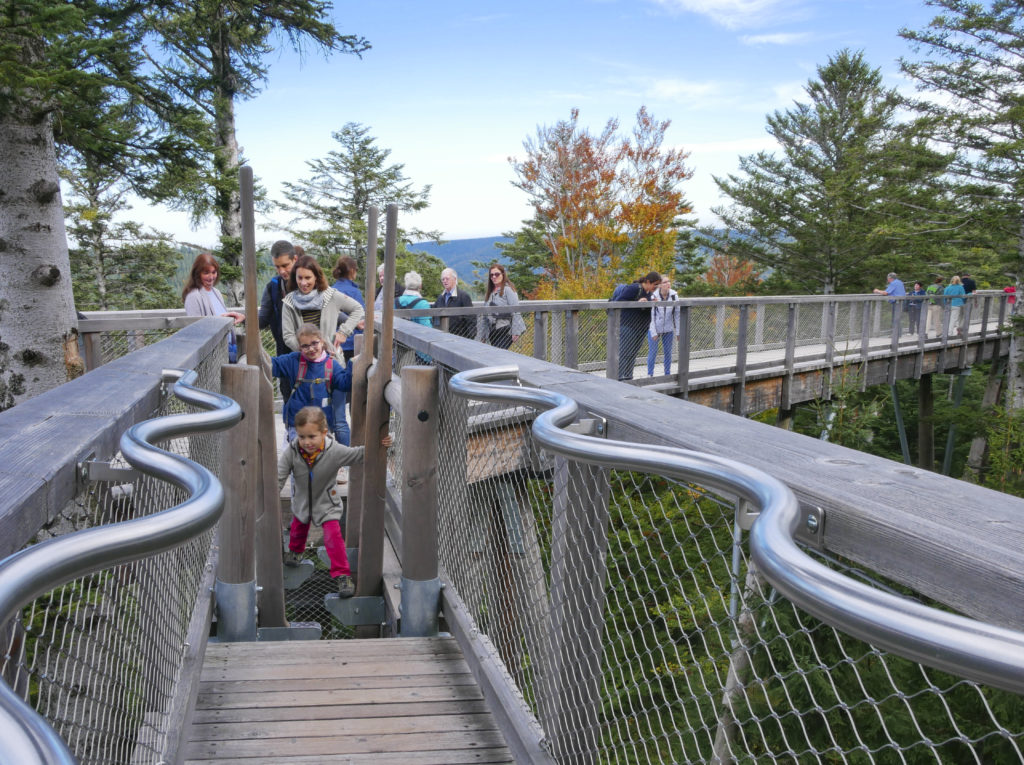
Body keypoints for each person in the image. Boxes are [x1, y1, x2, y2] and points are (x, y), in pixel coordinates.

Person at [279, 406, 391, 598]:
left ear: (324, 433)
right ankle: (296, 553)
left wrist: (381, 445)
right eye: (302, 436)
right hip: (302, 502)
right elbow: (279, 475)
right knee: (298, 529)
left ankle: (342, 575)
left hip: (327, 503)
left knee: (333, 537)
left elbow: (358, 454)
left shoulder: (334, 451)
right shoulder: (292, 451)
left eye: (312, 436)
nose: (306, 442)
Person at [282, 256, 364, 446]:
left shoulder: (330, 296)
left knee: (339, 420)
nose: (303, 283)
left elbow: (357, 309)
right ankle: (312, 458)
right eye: (300, 278)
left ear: (316, 277)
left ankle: (344, 460)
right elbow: (288, 336)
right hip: (305, 368)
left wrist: (343, 332)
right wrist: (310, 350)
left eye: (308, 278)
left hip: (333, 363)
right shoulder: (289, 302)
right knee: (309, 420)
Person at [271, 324, 352, 444]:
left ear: (322, 342)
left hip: (321, 428)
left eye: (314, 343)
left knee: (322, 454)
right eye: (305, 346)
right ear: (299, 347)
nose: (311, 349)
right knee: (299, 454)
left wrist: (352, 365)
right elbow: (271, 365)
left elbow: (344, 383)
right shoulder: (293, 361)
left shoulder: (331, 365)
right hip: (297, 427)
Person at [182, 253, 244, 362]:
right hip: (212, 357)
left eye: (214, 272)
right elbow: (195, 331)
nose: (211, 277)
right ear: (197, 273)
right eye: (206, 273)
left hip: (228, 349)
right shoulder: (193, 296)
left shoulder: (216, 292)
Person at [258, 240, 297, 400]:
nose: (281, 271)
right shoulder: (273, 287)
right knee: (288, 395)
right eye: (277, 267)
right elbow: (262, 318)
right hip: (284, 353)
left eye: (285, 265)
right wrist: (245, 319)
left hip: (311, 352)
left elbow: (328, 305)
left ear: (295, 259)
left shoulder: (308, 281)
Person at [610, 271, 660, 380]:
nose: (656, 287)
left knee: (632, 354)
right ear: (648, 282)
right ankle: (619, 378)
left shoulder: (649, 293)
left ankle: (628, 377)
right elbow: (618, 302)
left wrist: (652, 303)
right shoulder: (634, 288)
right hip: (628, 326)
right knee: (624, 353)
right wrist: (637, 301)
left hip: (641, 328)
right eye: (655, 284)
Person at [475, 263, 526, 349]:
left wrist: (516, 331)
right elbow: (485, 316)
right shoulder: (490, 293)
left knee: (499, 352)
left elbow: (516, 310)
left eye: (497, 274)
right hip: (492, 331)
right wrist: (483, 335)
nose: (494, 277)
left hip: (505, 329)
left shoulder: (508, 290)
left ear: (503, 274)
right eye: (491, 275)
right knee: (496, 353)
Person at [330, 256, 365, 363]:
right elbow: (361, 317)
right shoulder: (354, 292)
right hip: (352, 342)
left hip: (335, 341)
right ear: (352, 271)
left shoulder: (331, 290)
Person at [647, 275, 679, 376]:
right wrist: (653, 332)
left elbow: (677, 315)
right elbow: (651, 316)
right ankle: (650, 375)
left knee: (668, 353)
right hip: (655, 328)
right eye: (665, 282)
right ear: (660, 285)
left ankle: (667, 374)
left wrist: (678, 332)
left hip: (668, 329)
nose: (668, 284)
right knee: (653, 352)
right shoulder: (654, 296)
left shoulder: (674, 296)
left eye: (669, 281)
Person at [433, 267, 474, 338]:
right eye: (443, 279)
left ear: (454, 279)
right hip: (443, 337)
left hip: (460, 337)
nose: (445, 281)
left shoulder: (463, 296)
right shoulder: (440, 297)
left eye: (447, 279)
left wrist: (470, 337)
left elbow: (471, 318)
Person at [873, 272, 906, 337]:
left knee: (895, 318)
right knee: (898, 318)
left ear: (890, 278)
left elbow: (885, 293)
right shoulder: (899, 282)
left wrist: (877, 291)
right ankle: (898, 334)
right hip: (901, 302)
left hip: (897, 303)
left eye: (887, 278)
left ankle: (895, 334)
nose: (887, 279)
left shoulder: (893, 283)